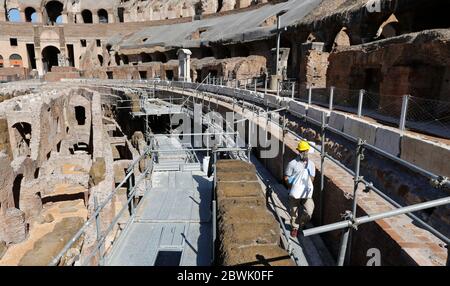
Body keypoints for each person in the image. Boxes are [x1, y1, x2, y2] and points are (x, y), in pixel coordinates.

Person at [284, 140, 316, 238]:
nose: (304, 153)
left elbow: (312, 178)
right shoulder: (292, 164)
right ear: (298, 151)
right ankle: (295, 228)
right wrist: (292, 186)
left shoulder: (311, 164)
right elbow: (286, 177)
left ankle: (300, 224)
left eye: (305, 151)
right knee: (294, 211)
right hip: (294, 191)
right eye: (302, 151)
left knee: (309, 211)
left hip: (306, 192)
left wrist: (307, 185)